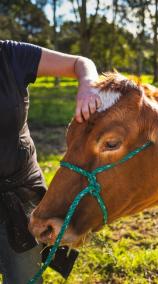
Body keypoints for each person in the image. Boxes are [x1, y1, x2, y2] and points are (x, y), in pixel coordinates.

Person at [0, 40, 99, 283]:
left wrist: (88, 85)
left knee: (24, 277)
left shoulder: (10, 55)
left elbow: (80, 63)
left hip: (18, 196)